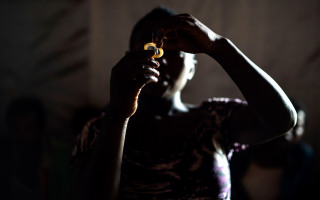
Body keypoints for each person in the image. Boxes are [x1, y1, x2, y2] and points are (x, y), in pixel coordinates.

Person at [70, 7, 297, 200]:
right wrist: (118, 115)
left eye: (175, 51)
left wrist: (218, 46)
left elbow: (281, 120)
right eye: (149, 48)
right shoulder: (99, 129)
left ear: (192, 68)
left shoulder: (216, 119)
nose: (160, 58)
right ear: (128, 57)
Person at [230, 99, 317, 200]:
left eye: (295, 126)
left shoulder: (302, 156)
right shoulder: (243, 150)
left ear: (304, 131)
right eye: (284, 124)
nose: (287, 131)